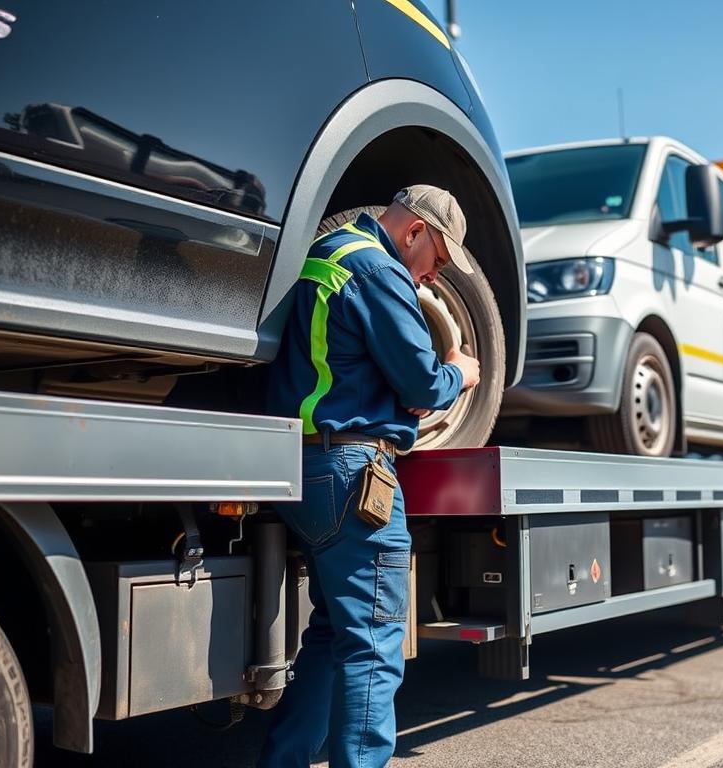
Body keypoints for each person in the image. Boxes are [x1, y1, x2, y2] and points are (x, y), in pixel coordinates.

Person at [259, 185, 481, 768]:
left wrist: (406, 384)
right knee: (375, 645)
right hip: (354, 473)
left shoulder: (329, 251)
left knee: (333, 633)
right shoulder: (380, 269)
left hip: (302, 466)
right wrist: (457, 372)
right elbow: (423, 384)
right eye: (437, 261)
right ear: (415, 232)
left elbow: (352, 360)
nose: (432, 277)